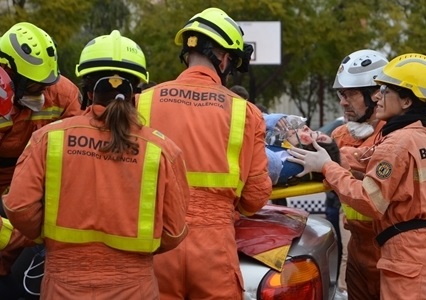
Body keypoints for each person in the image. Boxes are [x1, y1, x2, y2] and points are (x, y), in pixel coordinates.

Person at [2, 30, 190, 299]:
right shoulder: (162, 150)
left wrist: (48, 236)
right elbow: (174, 231)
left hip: (63, 285)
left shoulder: (48, 138)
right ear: (137, 90)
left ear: (87, 89)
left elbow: (18, 206)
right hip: (134, 287)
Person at [288, 53, 426, 299]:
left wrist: (326, 165)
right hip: (413, 253)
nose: (379, 96)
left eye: (385, 90)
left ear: (407, 101)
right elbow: (367, 155)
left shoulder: (397, 140)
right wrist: (325, 151)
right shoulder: (421, 134)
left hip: (404, 256)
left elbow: (369, 199)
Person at [136, 7, 272, 299]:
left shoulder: (142, 103)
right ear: (223, 58)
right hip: (214, 246)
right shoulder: (244, 112)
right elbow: (255, 196)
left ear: (188, 52)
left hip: (157, 241)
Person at [0, 21, 82, 294]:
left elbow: (76, 158)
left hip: (37, 197)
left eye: (47, 83)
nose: (42, 91)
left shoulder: (63, 94)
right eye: (34, 84)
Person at [330, 48, 388, 299]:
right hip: (357, 245)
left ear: (376, 95)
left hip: (388, 249)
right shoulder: (339, 136)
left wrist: (331, 160)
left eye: (351, 93)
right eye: (342, 94)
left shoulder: (394, 134)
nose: (343, 101)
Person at [263, 113, 340, 186]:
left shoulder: (287, 166)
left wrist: (266, 120)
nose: (305, 127)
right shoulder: (277, 145)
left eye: (314, 135)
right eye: (313, 131)